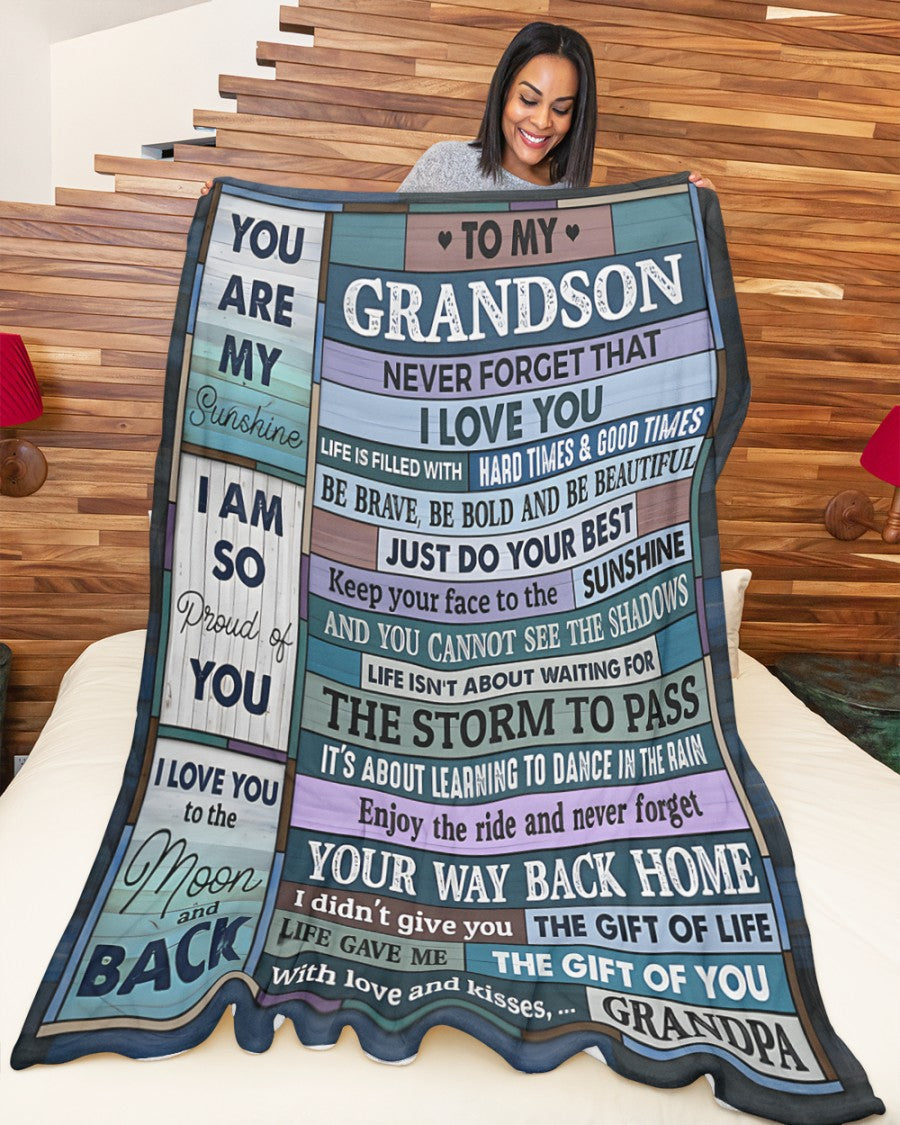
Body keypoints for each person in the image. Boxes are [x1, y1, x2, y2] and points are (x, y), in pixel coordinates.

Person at [397, 21, 714, 194]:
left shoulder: (573, 195)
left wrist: (693, 210)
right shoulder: (444, 165)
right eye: (528, 100)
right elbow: (382, 251)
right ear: (503, 93)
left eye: (561, 109)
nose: (541, 121)